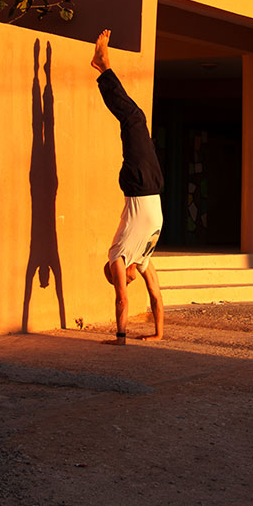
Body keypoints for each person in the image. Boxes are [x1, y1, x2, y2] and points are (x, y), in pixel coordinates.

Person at [92, 30, 164, 344]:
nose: (131, 281)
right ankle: (102, 68)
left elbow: (122, 298)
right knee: (138, 119)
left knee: (132, 119)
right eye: (129, 279)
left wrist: (120, 337)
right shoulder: (144, 259)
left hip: (138, 183)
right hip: (153, 183)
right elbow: (157, 296)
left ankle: (103, 66)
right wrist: (159, 334)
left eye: (125, 280)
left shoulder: (117, 258)